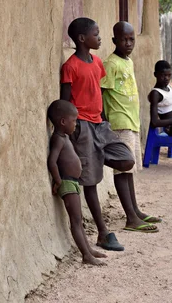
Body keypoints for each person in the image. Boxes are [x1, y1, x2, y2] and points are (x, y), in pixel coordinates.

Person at [60, 17, 135, 251]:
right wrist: (68, 133)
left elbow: (98, 93)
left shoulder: (97, 63)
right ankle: (103, 233)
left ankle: (95, 157)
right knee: (90, 181)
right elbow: (65, 101)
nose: (100, 38)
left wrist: (103, 119)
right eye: (96, 34)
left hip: (100, 124)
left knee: (126, 159)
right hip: (82, 126)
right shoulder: (70, 66)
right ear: (83, 39)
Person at [101, 21, 160, 233]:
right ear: (114, 40)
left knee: (129, 169)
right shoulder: (111, 64)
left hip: (131, 122)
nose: (128, 43)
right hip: (119, 122)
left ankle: (135, 210)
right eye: (124, 39)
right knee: (122, 169)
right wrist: (102, 122)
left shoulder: (128, 62)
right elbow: (101, 92)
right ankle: (130, 218)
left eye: (131, 39)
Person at [47, 99, 107, 266]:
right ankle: (86, 255)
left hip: (72, 181)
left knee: (78, 219)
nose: (75, 124)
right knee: (75, 220)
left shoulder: (65, 137)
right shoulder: (58, 139)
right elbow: (52, 161)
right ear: (63, 122)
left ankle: (88, 250)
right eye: (74, 121)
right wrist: (58, 181)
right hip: (66, 182)